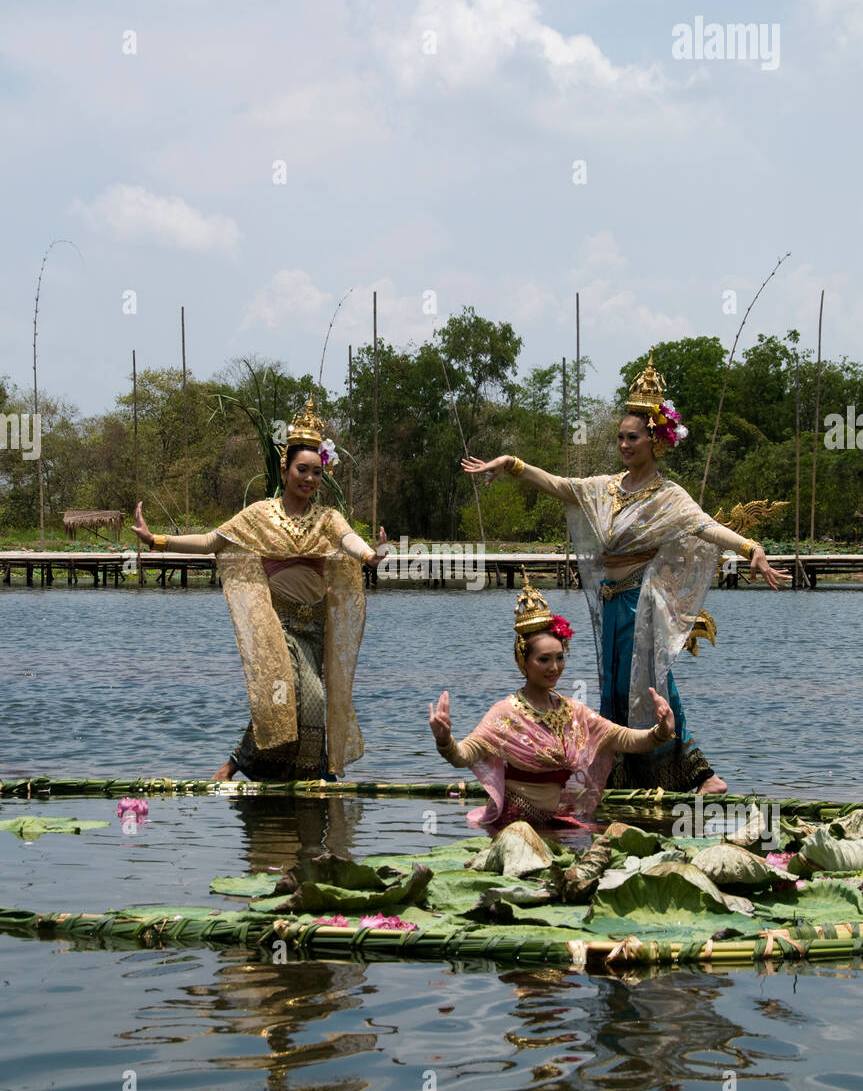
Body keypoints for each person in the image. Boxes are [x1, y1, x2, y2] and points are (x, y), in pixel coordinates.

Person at [461, 351, 790, 794]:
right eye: (620, 438)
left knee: (650, 683)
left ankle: (697, 771)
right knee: (615, 686)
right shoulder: (607, 488)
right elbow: (562, 487)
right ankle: (619, 772)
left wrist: (752, 548)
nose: (624, 445)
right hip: (613, 602)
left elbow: (706, 527)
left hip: (643, 601)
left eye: (633, 438)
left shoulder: (669, 496)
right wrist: (512, 464)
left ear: (656, 441)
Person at [132, 397, 387, 781]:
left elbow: (350, 540)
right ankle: (244, 764)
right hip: (277, 624)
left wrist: (370, 555)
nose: (310, 479)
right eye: (302, 470)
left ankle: (307, 772)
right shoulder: (259, 516)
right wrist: (157, 541)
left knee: (303, 703)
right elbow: (210, 542)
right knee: (296, 696)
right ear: (285, 471)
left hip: (315, 626)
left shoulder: (328, 518)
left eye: (317, 473)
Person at [428, 570, 675, 835]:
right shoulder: (505, 713)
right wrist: (445, 740)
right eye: (544, 659)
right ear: (522, 662)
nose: (554, 668)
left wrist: (660, 731)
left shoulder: (571, 711)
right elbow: (464, 755)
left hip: (554, 818)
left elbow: (623, 738)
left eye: (559, 658)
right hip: (515, 823)